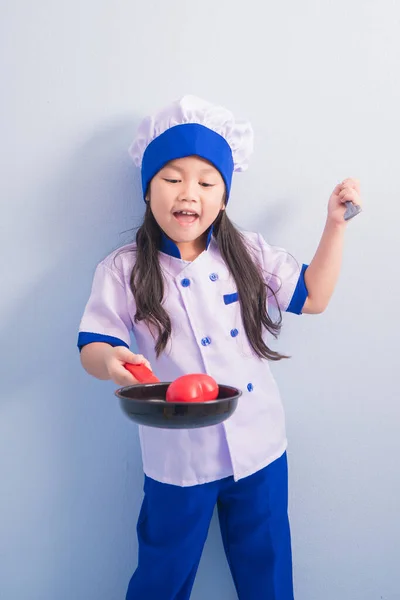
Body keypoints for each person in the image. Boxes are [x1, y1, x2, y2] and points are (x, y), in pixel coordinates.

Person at [78, 95, 362, 600]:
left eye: (207, 182)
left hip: (259, 444)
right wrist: (112, 363)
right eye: (171, 178)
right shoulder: (121, 269)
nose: (189, 193)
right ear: (148, 191)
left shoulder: (248, 252)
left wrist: (335, 225)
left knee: (269, 576)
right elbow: (94, 345)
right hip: (177, 457)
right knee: (161, 577)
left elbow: (313, 296)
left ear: (224, 197)